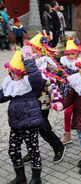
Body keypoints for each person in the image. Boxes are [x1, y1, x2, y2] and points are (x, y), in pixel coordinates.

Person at [1, 47, 44, 184]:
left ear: (23, 72)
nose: (12, 74)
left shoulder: (31, 84)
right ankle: (21, 177)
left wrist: (28, 60)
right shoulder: (11, 84)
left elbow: (36, 77)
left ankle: (36, 178)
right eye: (10, 71)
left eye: (15, 72)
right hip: (15, 123)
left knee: (33, 150)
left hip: (30, 123)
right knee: (13, 150)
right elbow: (2, 96)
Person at [22, 33, 66, 165]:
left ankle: (59, 146)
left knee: (42, 126)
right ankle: (32, 151)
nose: (33, 51)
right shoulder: (26, 59)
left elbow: (58, 72)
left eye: (35, 49)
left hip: (43, 99)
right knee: (28, 127)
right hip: (28, 98)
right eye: (31, 49)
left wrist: (52, 73)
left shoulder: (46, 60)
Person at [60, 38, 81, 144]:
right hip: (68, 92)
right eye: (68, 54)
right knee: (67, 112)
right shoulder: (64, 63)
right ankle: (67, 134)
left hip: (79, 92)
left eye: (73, 54)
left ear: (77, 54)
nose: (70, 56)